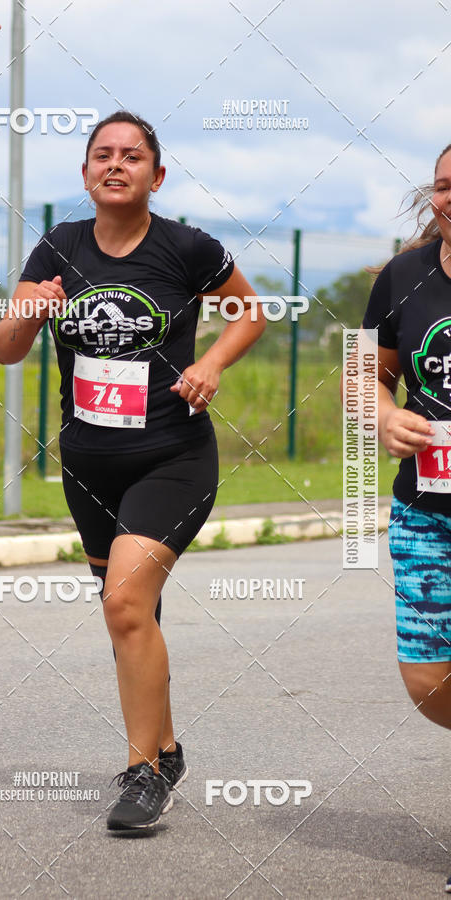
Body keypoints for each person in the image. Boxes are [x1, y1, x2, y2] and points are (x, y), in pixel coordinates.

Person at [0, 110, 266, 829]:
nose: (116, 165)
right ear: (85, 173)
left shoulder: (187, 247)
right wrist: (29, 310)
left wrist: (211, 363)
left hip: (173, 457)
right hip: (88, 466)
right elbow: (6, 349)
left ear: (157, 174)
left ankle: (143, 773)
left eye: (132, 156)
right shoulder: (58, 246)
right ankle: (167, 749)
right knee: (132, 615)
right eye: (103, 155)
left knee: (122, 604)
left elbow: (250, 313)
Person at [358, 143, 451, 892]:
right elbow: (364, 373)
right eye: (445, 186)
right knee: (427, 682)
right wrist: (385, 416)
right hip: (426, 510)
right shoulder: (403, 276)